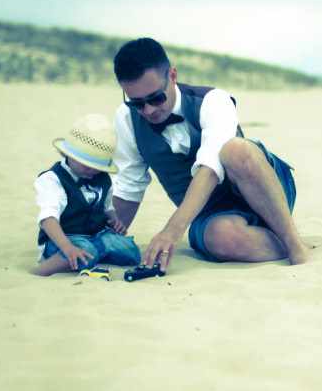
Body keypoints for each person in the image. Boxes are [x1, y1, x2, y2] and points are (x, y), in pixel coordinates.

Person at [110, 37, 310, 269]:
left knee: (235, 150)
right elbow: (129, 185)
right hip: (213, 214)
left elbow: (210, 169)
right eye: (137, 103)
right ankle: (283, 241)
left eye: (156, 98)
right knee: (221, 239)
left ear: (172, 76)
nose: (148, 110)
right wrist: (106, 240)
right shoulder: (126, 119)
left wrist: (171, 231)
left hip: (267, 187)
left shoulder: (213, 101)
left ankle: (296, 246)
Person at [32, 114, 142, 276]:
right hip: (63, 239)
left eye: (97, 166)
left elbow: (106, 207)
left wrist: (114, 220)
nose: (93, 170)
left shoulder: (102, 178)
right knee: (85, 249)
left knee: (130, 251)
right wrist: (67, 247)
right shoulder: (52, 180)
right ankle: (41, 270)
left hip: (96, 235)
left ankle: (93, 254)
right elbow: (48, 219)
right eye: (87, 165)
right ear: (68, 154)